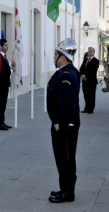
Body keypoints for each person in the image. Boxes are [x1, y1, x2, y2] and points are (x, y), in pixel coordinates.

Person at [47, 38, 80, 203]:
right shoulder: (65, 72)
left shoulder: (67, 74)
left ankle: (68, 192)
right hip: (63, 124)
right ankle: (64, 188)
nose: (54, 57)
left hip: (65, 126)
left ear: (63, 57)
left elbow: (65, 105)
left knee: (66, 159)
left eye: (56, 54)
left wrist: (61, 125)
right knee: (62, 158)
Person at [0, 39, 15, 130]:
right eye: (5, 45)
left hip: (5, 83)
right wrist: (12, 69)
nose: (7, 46)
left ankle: (2, 121)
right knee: (1, 104)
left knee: (3, 104)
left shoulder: (4, 56)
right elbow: (3, 71)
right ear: (0, 46)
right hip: (1, 84)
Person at [79, 47, 99, 114]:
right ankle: (86, 108)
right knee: (86, 95)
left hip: (91, 81)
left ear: (94, 52)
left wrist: (86, 76)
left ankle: (91, 109)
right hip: (85, 81)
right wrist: (81, 75)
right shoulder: (85, 60)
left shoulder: (96, 61)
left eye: (91, 51)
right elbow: (81, 68)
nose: (89, 52)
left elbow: (93, 70)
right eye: (88, 51)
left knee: (91, 95)